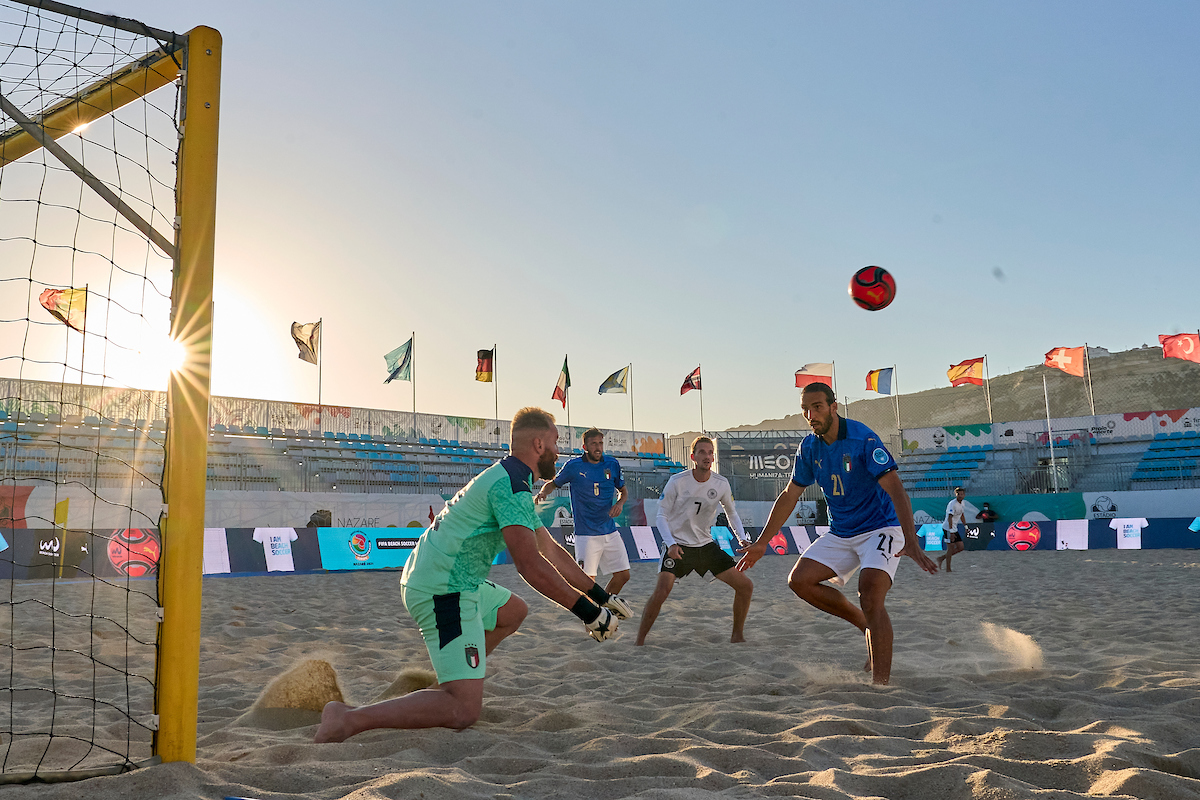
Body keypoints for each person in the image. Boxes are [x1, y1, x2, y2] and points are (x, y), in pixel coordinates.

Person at [315, 408, 633, 742]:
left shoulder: (513, 479)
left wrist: (602, 598)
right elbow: (530, 565)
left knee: (513, 611)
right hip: (442, 588)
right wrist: (588, 613)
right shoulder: (510, 486)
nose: (558, 452)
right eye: (555, 442)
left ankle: (451, 682)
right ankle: (347, 718)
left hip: (448, 577)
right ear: (539, 444)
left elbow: (551, 551)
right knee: (463, 712)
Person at [737, 383, 937, 685]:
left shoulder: (862, 439)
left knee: (870, 593)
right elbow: (790, 495)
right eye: (806, 409)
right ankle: (861, 621)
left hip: (882, 527)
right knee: (799, 581)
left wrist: (910, 539)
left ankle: (880, 686)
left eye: (817, 406)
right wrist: (762, 542)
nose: (810, 414)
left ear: (834, 407)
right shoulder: (809, 447)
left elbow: (896, 488)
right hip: (842, 531)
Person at [636, 436, 753, 645]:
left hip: (705, 546)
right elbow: (661, 516)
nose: (707, 456)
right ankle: (640, 641)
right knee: (661, 591)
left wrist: (742, 538)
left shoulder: (721, 483)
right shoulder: (677, 481)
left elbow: (731, 513)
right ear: (693, 457)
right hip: (678, 546)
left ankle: (737, 636)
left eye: (710, 453)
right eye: (702, 452)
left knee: (745, 586)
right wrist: (671, 544)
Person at [533, 427, 630, 595]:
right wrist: (543, 492)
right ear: (584, 447)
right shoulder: (573, 466)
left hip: (610, 531)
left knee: (623, 576)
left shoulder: (612, 464)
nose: (598, 447)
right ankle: (593, 617)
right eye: (593, 444)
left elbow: (624, 490)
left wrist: (620, 503)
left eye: (600, 443)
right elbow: (553, 484)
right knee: (587, 583)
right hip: (586, 534)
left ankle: (604, 609)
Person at [938, 487, 968, 572]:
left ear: (964, 495)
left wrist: (966, 527)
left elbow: (962, 515)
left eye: (962, 494)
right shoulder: (952, 504)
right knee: (950, 548)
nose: (960, 496)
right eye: (958, 494)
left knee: (960, 547)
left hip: (954, 528)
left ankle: (941, 558)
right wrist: (951, 532)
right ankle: (948, 568)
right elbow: (949, 518)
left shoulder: (962, 503)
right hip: (948, 528)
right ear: (956, 495)